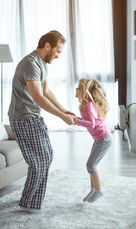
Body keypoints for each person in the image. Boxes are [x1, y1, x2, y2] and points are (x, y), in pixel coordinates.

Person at [8, 30, 75, 213]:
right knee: (38, 161)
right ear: (47, 46)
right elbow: (37, 97)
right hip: (23, 118)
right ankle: (28, 203)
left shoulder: (42, 64)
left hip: (32, 117)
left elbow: (46, 91)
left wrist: (64, 110)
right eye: (58, 51)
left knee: (47, 155)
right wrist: (62, 118)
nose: (58, 56)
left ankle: (31, 200)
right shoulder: (30, 63)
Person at [74, 78, 112, 203]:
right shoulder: (84, 105)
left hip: (104, 139)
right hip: (99, 139)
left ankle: (98, 191)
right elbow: (88, 120)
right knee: (90, 165)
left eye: (79, 88)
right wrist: (76, 118)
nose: (76, 89)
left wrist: (77, 122)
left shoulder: (88, 105)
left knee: (91, 165)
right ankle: (93, 189)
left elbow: (91, 124)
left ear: (84, 91)